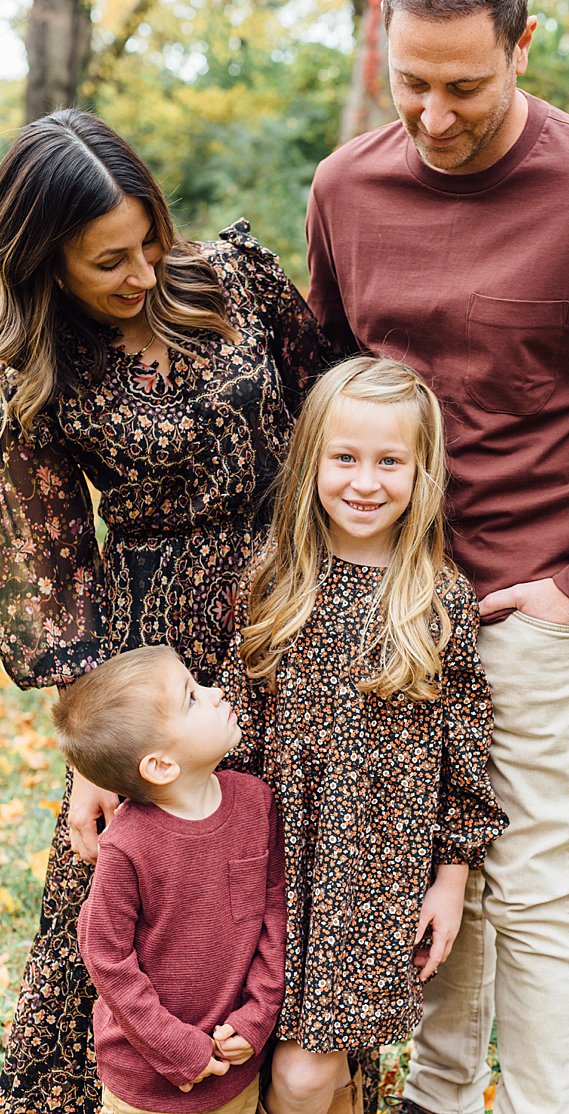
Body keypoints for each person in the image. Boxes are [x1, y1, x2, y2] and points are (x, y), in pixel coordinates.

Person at [303, 1, 569, 1109]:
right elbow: (328, 395)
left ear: (523, 46)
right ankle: (438, 1100)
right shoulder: (345, 188)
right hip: (386, 614)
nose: (433, 118)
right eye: (410, 85)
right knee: (427, 882)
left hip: (534, 610)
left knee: (530, 893)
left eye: (464, 88)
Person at [0, 108, 332, 1114]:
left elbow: (334, 401)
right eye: (110, 260)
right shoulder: (36, 376)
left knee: (292, 872)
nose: (143, 271)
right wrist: (89, 760)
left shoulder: (234, 276)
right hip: (162, 660)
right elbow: (50, 574)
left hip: (299, 605)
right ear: (47, 263)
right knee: (133, 889)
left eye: (149, 237)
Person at [218, 358, 506, 1114]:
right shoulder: (271, 580)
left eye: (390, 462)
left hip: (369, 883)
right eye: (344, 457)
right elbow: (234, 740)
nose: (365, 482)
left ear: (423, 472)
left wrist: (451, 878)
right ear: (311, 458)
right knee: (294, 1062)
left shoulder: (435, 596)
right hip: (271, 869)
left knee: (306, 1073)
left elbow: (464, 753)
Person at [62, 644, 285, 1114]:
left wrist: (257, 1017)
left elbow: (273, 916)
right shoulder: (127, 845)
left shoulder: (255, 803)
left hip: (234, 1066)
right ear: (161, 765)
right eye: (191, 697)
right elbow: (106, 957)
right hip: (145, 1084)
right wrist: (176, 1047)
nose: (214, 692)